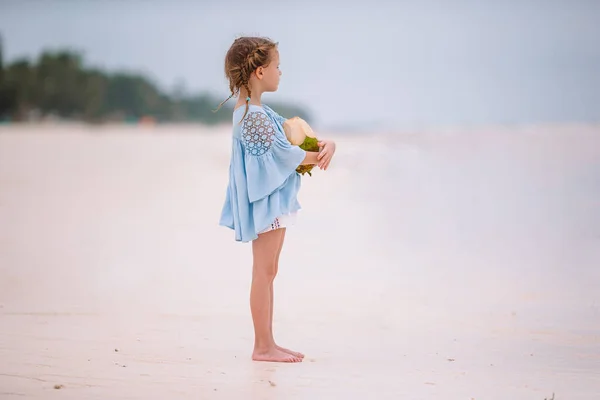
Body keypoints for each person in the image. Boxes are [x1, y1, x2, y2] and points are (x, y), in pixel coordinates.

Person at [217, 36, 336, 362]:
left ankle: (268, 342)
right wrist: (319, 154)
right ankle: (262, 346)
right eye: (276, 66)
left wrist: (324, 144)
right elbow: (285, 157)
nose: (280, 72)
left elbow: (291, 138)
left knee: (269, 272)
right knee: (263, 272)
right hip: (266, 202)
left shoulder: (257, 111)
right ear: (258, 71)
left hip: (271, 202)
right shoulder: (250, 116)